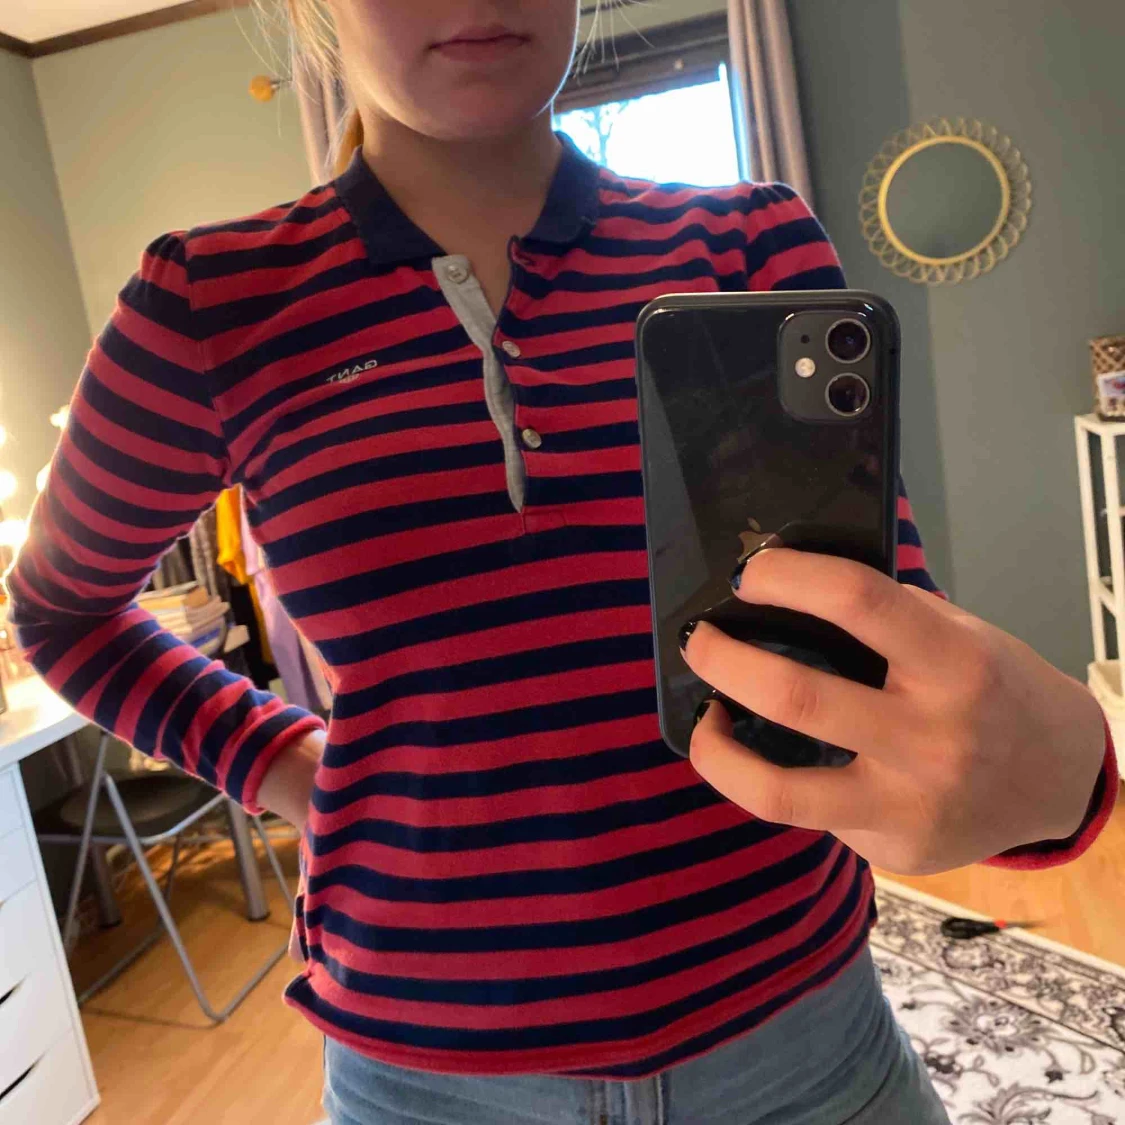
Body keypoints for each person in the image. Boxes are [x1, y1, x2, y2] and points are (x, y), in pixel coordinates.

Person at [7, 2, 1116, 1122]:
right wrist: (282, 760)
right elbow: (61, 612)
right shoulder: (211, 302)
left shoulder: (748, 242)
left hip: (800, 1036)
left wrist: (1041, 774)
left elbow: (882, 636)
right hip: (431, 1076)